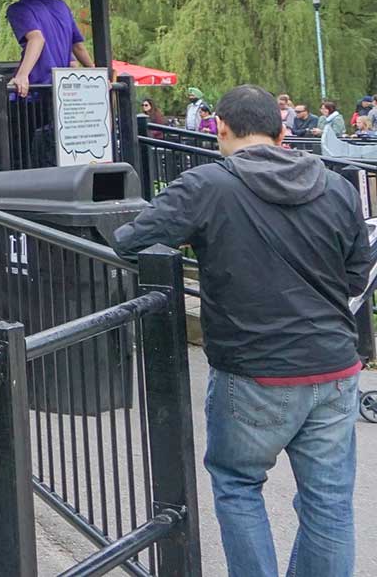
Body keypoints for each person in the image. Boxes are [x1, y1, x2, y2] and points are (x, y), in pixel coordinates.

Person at [112, 85, 374, 577]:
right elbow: (357, 274)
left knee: (237, 483)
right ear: (280, 133)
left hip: (254, 372)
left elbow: (131, 241)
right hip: (334, 367)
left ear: (222, 129)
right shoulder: (335, 185)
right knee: (330, 503)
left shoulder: (208, 185)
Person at [5, 0, 95, 98]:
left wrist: (22, 75)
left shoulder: (18, 9)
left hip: (35, 88)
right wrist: (95, 76)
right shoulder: (60, 5)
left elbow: (36, 39)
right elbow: (78, 46)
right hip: (62, 89)